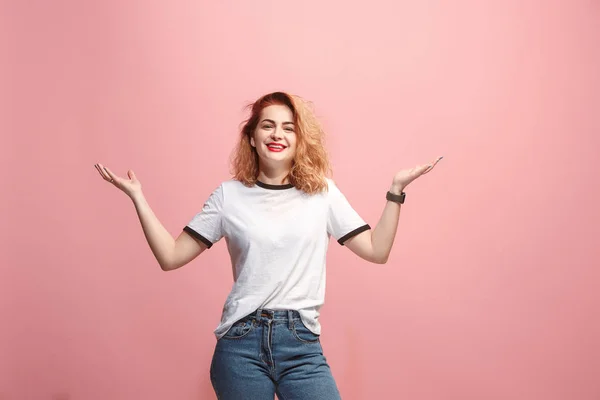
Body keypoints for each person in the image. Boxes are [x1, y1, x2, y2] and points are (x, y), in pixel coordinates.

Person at [94, 91, 442, 399]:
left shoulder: (322, 193)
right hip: (239, 343)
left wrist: (395, 191)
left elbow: (376, 251)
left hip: (301, 344)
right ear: (251, 137)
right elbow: (171, 257)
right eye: (268, 126)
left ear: (299, 138)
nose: (278, 134)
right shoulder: (229, 196)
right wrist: (138, 198)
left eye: (289, 127)